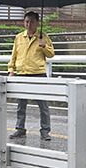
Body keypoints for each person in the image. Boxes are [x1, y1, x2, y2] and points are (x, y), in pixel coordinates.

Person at [8, 11, 55, 141]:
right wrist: (11, 70)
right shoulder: (19, 37)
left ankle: (45, 130)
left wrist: (44, 45)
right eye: (26, 22)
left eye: (31, 22)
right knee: (21, 104)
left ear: (37, 23)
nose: (28, 25)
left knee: (43, 105)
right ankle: (20, 128)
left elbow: (51, 54)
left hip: (38, 73)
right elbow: (14, 55)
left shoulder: (43, 36)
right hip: (22, 73)